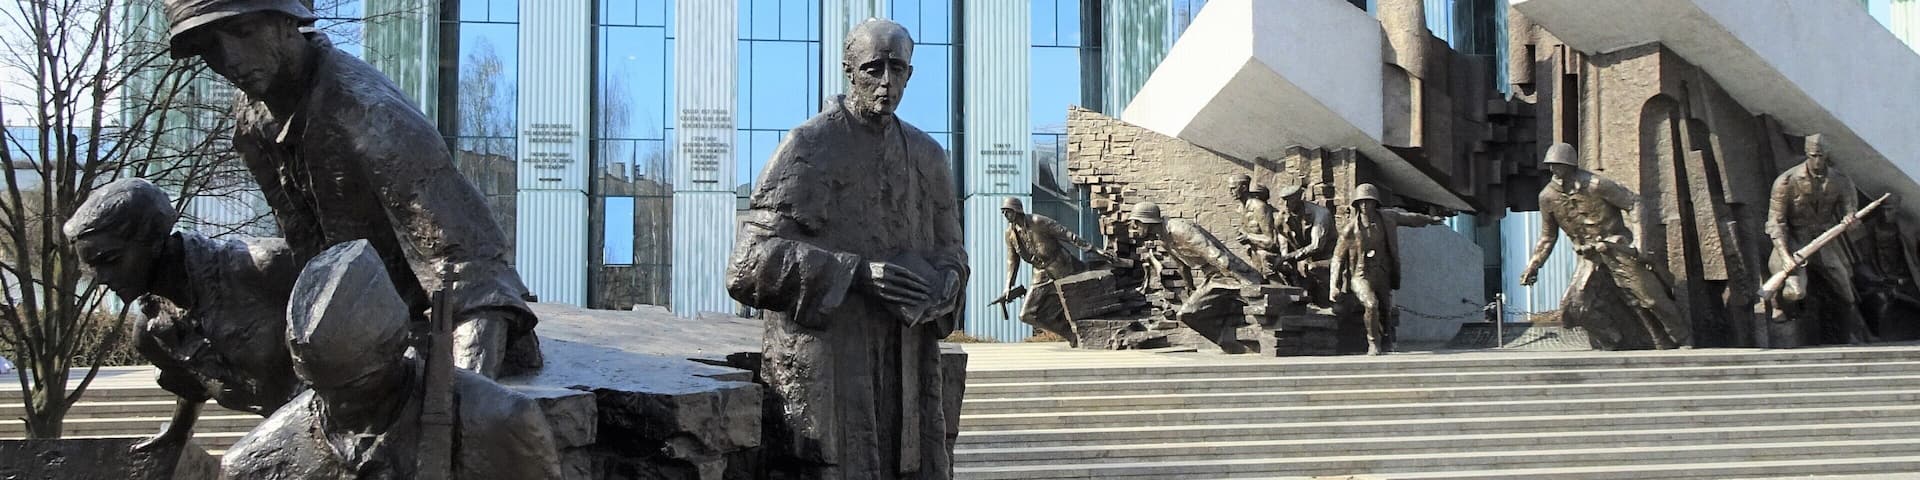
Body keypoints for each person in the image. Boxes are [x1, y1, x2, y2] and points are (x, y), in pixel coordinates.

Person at [162, 0, 538, 378]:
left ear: (287, 22)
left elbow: (479, 283)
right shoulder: (253, 117)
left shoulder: (369, 116)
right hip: (350, 351)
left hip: (435, 351)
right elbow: (306, 252)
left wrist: (464, 404)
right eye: (209, 47)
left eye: (244, 32)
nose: (230, 60)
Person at [726, 19, 968, 479]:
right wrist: (854, 274)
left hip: (908, 369)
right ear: (848, 71)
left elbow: (952, 254)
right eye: (873, 69)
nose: (886, 82)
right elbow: (747, 264)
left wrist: (946, 285)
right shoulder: (809, 146)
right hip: (831, 368)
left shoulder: (929, 156)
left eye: (898, 70)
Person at [220, 241, 560, 480]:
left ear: (397, 346)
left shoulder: (501, 422)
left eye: (356, 387)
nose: (336, 406)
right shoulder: (258, 462)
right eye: (321, 389)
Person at [63, 178, 301, 452]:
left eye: (111, 260)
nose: (102, 278)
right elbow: (193, 386)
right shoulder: (152, 335)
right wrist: (179, 431)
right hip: (296, 429)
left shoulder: (262, 266)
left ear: (152, 239)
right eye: (94, 267)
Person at [1520, 143, 1691, 349]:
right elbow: (1548, 237)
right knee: (1574, 307)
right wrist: (1533, 265)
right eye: (1552, 165)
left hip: (1617, 248)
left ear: (1571, 165)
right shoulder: (1547, 197)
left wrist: (1640, 241)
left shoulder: (1595, 184)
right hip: (1590, 257)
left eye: (1559, 165)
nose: (1555, 170)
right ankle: (1614, 341)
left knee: (1650, 298)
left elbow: (1634, 203)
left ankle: (1683, 338)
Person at [1766, 133, 1874, 345]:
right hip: (1795, 242)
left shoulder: (1840, 181)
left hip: (1825, 242)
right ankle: (1780, 309)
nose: (1817, 161)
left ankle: (1850, 333)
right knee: (1795, 291)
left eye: (1821, 156)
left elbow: (1850, 212)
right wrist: (1785, 256)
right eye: (1814, 155)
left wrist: (1851, 220)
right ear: (1807, 154)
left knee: (1844, 285)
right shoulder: (1786, 182)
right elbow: (1775, 223)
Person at [1126, 202, 1265, 353]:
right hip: (1213, 276)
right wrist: (1190, 288)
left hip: (1229, 273)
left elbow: (1212, 252)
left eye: (1136, 223)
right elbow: (1182, 266)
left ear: (1146, 222)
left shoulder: (1179, 229)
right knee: (1187, 314)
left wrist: (1243, 281)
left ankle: (1246, 343)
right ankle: (1234, 344)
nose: (1134, 228)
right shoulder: (1164, 238)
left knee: (1260, 307)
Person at [1330, 184, 1447, 355]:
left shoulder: (1388, 218)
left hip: (1383, 272)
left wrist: (1429, 220)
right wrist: (1334, 285)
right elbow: (1337, 258)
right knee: (1371, 304)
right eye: (1361, 202)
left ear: (1375, 203)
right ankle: (1373, 343)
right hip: (1361, 274)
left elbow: (1410, 218)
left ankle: (1386, 341)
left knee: (1385, 309)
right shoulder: (1350, 230)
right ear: (1356, 205)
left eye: (1368, 202)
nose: (1365, 206)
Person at [1001, 197, 1107, 345]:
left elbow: (1068, 235)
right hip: (1040, 274)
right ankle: (1070, 334)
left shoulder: (1038, 222)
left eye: (1007, 211)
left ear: (1017, 210)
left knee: (1077, 305)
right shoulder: (1010, 235)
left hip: (1062, 267)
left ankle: (1086, 332)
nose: (1005, 215)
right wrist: (1008, 286)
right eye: (1003, 212)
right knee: (1026, 315)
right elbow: (1012, 261)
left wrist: (1093, 249)